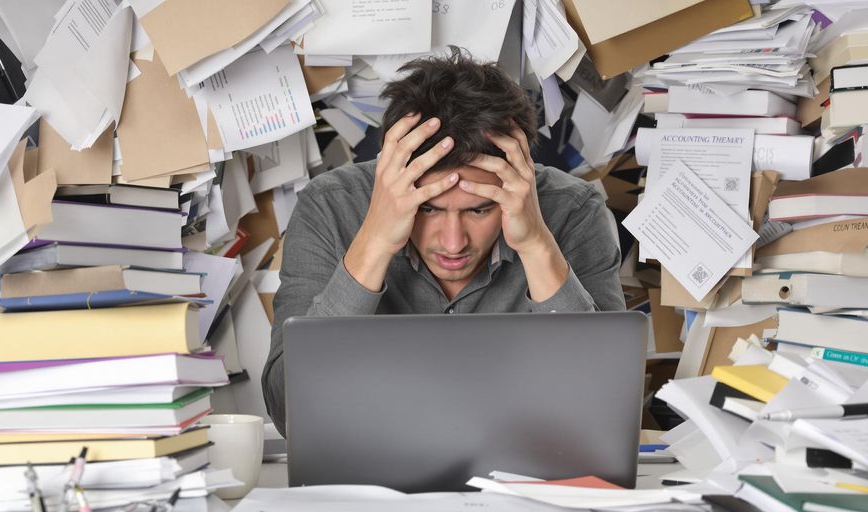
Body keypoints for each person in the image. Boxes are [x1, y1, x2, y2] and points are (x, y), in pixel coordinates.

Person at [262, 48, 625, 430]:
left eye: (480, 210)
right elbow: (291, 410)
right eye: (428, 209)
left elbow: (607, 407)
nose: (453, 244)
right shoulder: (330, 207)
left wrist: (536, 245)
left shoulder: (574, 210)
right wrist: (375, 241)